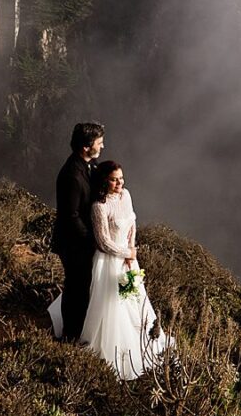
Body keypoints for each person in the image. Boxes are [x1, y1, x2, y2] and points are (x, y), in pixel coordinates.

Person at [73, 160, 172, 380]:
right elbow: (103, 242)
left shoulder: (126, 195)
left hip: (128, 258)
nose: (119, 182)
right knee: (113, 305)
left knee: (135, 299)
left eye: (121, 178)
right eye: (114, 179)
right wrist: (125, 254)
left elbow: (132, 222)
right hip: (109, 262)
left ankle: (144, 337)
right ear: (104, 181)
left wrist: (132, 250)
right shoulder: (99, 206)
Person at [50, 121, 105, 343]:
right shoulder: (72, 175)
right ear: (85, 146)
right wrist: (92, 240)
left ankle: (78, 331)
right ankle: (70, 336)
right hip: (73, 244)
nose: (102, 146)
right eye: (99, 143)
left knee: (83, 287)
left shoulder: (89, 165)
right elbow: (70, 216)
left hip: (81, 243)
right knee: (76, 289)